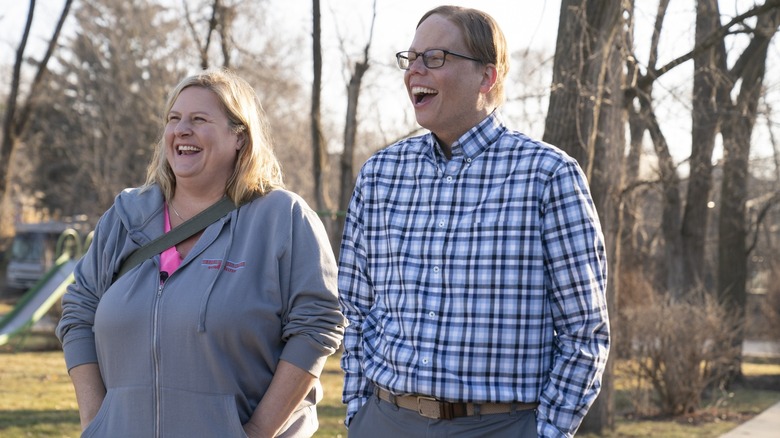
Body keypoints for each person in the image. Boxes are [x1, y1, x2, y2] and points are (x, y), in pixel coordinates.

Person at [338, 5, 609, 438]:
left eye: (435, 58)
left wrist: (546, 432)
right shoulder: (379, 174)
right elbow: (355, 308)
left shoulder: (548, 176)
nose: (414, 72)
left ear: (487, 76)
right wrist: (359, 411)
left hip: (499, 426)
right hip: (384, 420)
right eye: (411, 58)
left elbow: (584, 332)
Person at [56, 68, 346, 438]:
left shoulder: (281, 218)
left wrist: (258, 431)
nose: (181, 130)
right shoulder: (126, 216)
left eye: (199, 120)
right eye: (173, 119)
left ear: (239, 136)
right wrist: (96, 422)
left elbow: (317, 325)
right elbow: (80, 312)